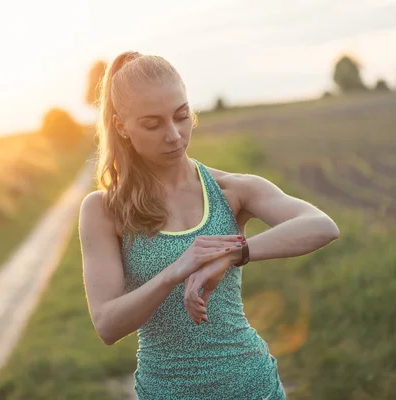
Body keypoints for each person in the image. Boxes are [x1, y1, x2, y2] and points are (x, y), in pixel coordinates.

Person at [79, 50, 340, 400]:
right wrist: (174, 272)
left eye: (181, 116)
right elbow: (107, 325)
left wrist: (234, 254)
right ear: (122, 127)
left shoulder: (231, 190)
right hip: (165, 392)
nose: (174, 134)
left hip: (253, 386)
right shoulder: (103, 209)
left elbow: (321, 225)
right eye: (153, 124)